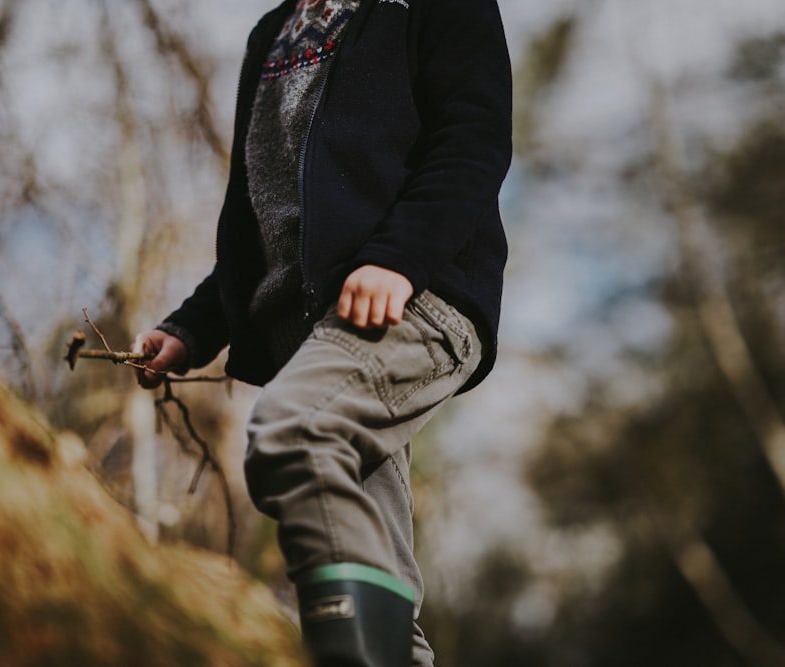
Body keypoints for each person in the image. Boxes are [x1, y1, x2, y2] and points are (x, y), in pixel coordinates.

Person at [133, 0, 511, 664]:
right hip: (314, 335)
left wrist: (398, 258)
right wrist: (191, 326)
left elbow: (475, 139)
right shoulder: (270, 35)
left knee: (295, 431)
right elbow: (258, 219)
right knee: (379, 578)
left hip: (414, 302)